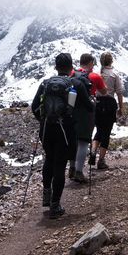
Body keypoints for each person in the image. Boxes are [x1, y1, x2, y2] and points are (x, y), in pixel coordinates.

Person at [31, 53, 94, 218]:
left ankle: (46, 193)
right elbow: (89, 107)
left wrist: (42, 119)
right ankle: (55, 206)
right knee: (59, 164)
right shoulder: (76, 83)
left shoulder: (46, 84)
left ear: (56, 67)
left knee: (49, 159)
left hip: (46, 129)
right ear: (71, 67)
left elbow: (34, 106)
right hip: (64, 130)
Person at [68, 53, 107, 180]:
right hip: (86, 110)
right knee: (84, 141)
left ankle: (71, 168)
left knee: (73, 140)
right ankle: (79, 172)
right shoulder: (94, 76)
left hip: (71, 108)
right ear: (90, 63)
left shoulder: (72, 73)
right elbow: (104, 91)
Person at [92, 52, 124, 169]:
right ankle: (101, 160)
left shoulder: (96, 74)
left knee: (99, 130)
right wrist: (121, 107)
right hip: (110, 104)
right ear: (111, 62)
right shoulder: (114, 75)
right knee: (106, 131)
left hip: (98, 103)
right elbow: (119, 92)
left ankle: (93, 150)